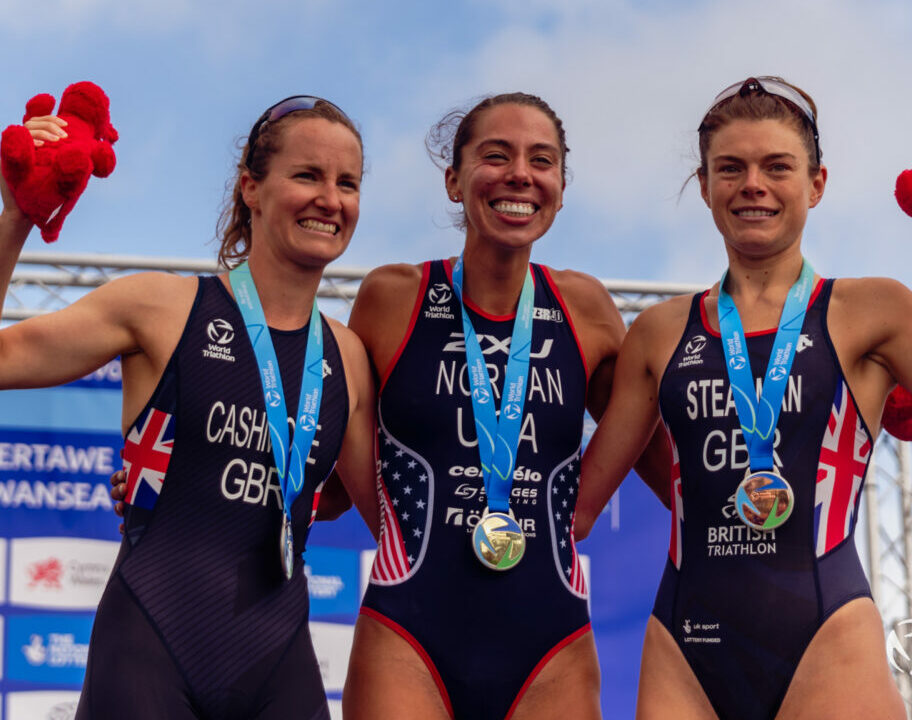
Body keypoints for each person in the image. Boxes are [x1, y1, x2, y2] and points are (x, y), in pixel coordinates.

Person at [0, 95, 379, 720]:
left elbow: (365, 502)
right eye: (307, 175)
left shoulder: (349, 357)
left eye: (348, 183)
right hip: (149, 646)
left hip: (279, 661)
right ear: (250, 187)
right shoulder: (159, 308)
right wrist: (15, 215)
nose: (331, 199)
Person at [576, 76, 910, 720]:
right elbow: (580, 506)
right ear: (704, 187)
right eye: (730, 168)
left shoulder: (876, 310)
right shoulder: (659, 332)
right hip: (682, 647)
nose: (752, 184)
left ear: (816, 184)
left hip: (829, 639)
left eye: (776, 167)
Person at [341, 92, 667, 720]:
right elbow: (323, 460)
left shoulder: (585, 307)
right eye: (496, 155)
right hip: (406, 635)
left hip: (550, 643)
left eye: (541, 160)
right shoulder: (391, 297)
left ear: (561, 188)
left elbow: (662, 459)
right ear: (454, 179)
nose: (520, 173)